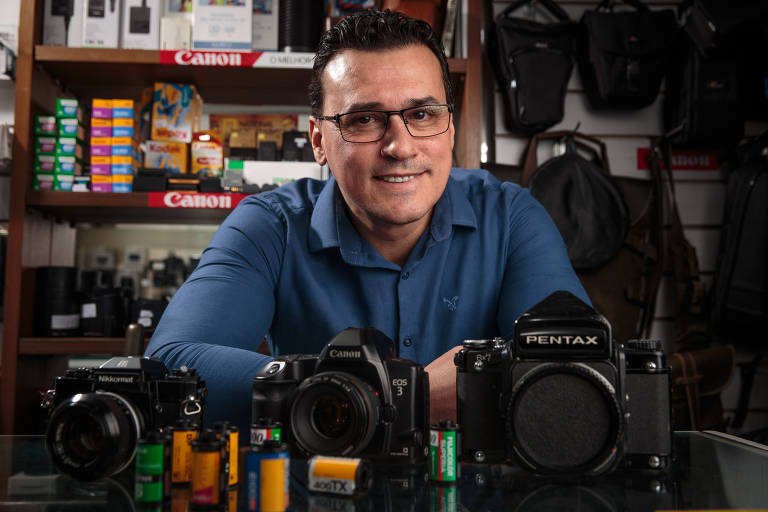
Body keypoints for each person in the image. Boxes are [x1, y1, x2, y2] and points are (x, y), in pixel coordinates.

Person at [145, 9, 588, 437]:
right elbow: (170, 365)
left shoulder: (511, 217)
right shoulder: (270, 227)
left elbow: (578, 368)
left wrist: (330, 396)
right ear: (319, 141)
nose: (400, 146)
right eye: (364, 120)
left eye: (422, 114)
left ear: (450, 127)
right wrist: (394, 398)